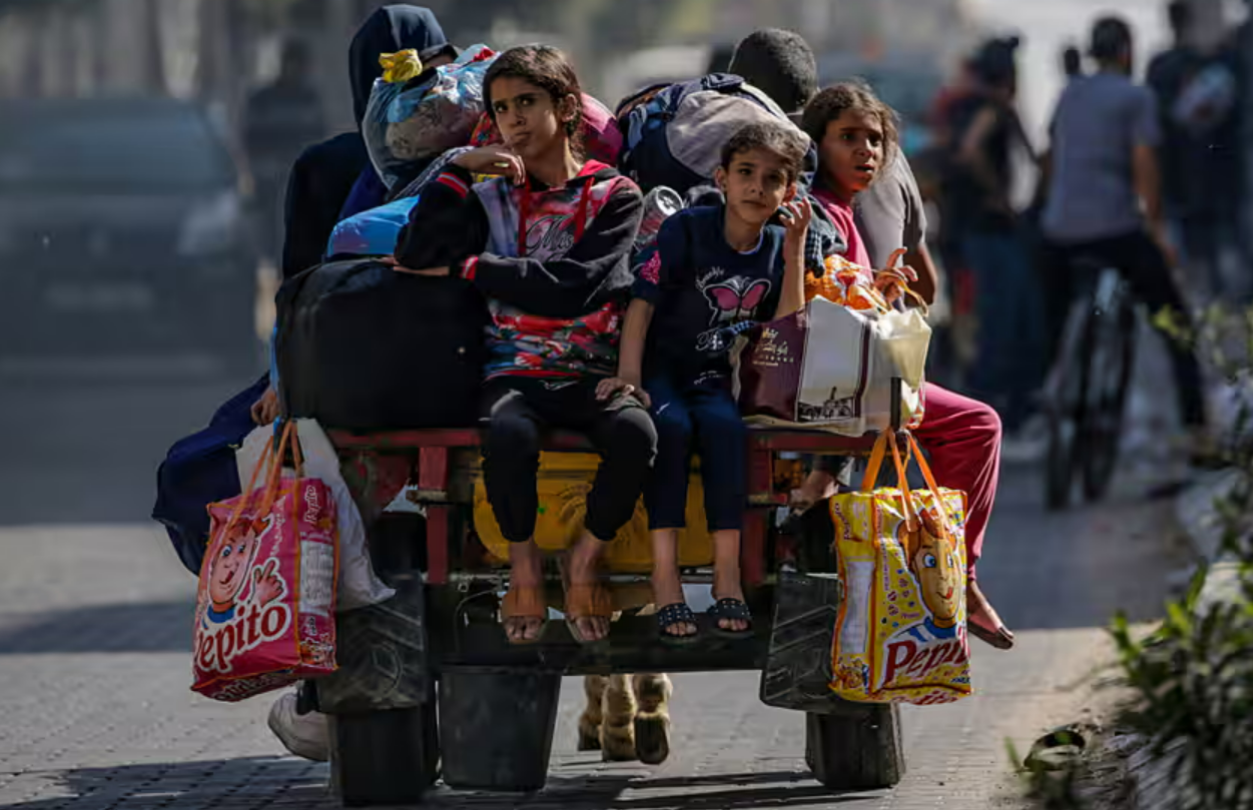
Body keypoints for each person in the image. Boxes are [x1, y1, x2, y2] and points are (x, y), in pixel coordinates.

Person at [391, 45, 656, 646]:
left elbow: (575, 289)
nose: (512, 119)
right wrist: (458, 169)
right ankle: (525, 565)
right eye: (501, 107)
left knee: (637, 435)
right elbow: (413, 255)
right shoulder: (487, 198)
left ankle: (587, 556)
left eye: (526, 103)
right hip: (513, 373)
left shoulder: (615, 196)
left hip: (592, 372)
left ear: (565, 108)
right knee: (507, 435)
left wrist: (470, 269)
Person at [797, 82, 1014, 651]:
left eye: (874, 141)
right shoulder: (819, 214)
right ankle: (954, 575)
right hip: (839, 383)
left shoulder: (841, 208)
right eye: (848, 139)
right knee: (977, 425)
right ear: (816, 145)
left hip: (852, 376)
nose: (866, 151)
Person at [606, 122, 812, 642]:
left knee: (725, 432)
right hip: (660, 369)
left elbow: (788, 326)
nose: (757, 188)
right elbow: (641, 306)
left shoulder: (775, 247)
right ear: (722, 178)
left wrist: (793, 252)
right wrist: (630, 377)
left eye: (772, 179)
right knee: (670, 431)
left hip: (713, 375)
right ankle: (665, 576)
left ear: (789, 192)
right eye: (745, 173)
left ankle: (727, 576)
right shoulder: (687, 230)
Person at [251, 5, 454, 426]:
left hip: (340, 373)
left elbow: (297, 287)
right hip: (452, 373)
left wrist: (285, 377)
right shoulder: (478, 157)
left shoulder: (322, 163)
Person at [1041, 16, 1208, 436]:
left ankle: (1049, 393)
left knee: (1051, 317)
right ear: (1127, 52)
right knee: (1176, 324)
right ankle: (1197, 430)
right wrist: (1156, 229)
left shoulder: (1069, 93)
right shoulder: (1137, 97)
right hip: (1114, 230)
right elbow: (1144, 164)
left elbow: (1053, 156)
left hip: (1058, 231)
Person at [945, 37, 1045, 434]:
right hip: (990, 230)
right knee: (1007, 322)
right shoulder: (991, 108)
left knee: (995, 320)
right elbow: (971, 151)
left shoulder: (966, 106)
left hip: (969, 231)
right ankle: (990, 411)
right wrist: (999, 195)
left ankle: (994, 407)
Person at [1147, 0, 1241, 299]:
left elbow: (1152, 129)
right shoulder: (1214, 67)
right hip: (1214, 180)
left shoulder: (1160, 67)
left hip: (1175, 181)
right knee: (1221, 269)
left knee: (1189, 274)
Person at [243, 39, 325, 271]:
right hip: (270, 177)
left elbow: (319, 136)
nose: (297, 71)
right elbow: (250, 138)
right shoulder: (263, 99)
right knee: (270, 227)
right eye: (294, 64)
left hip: (299, 174)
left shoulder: (309, 98)